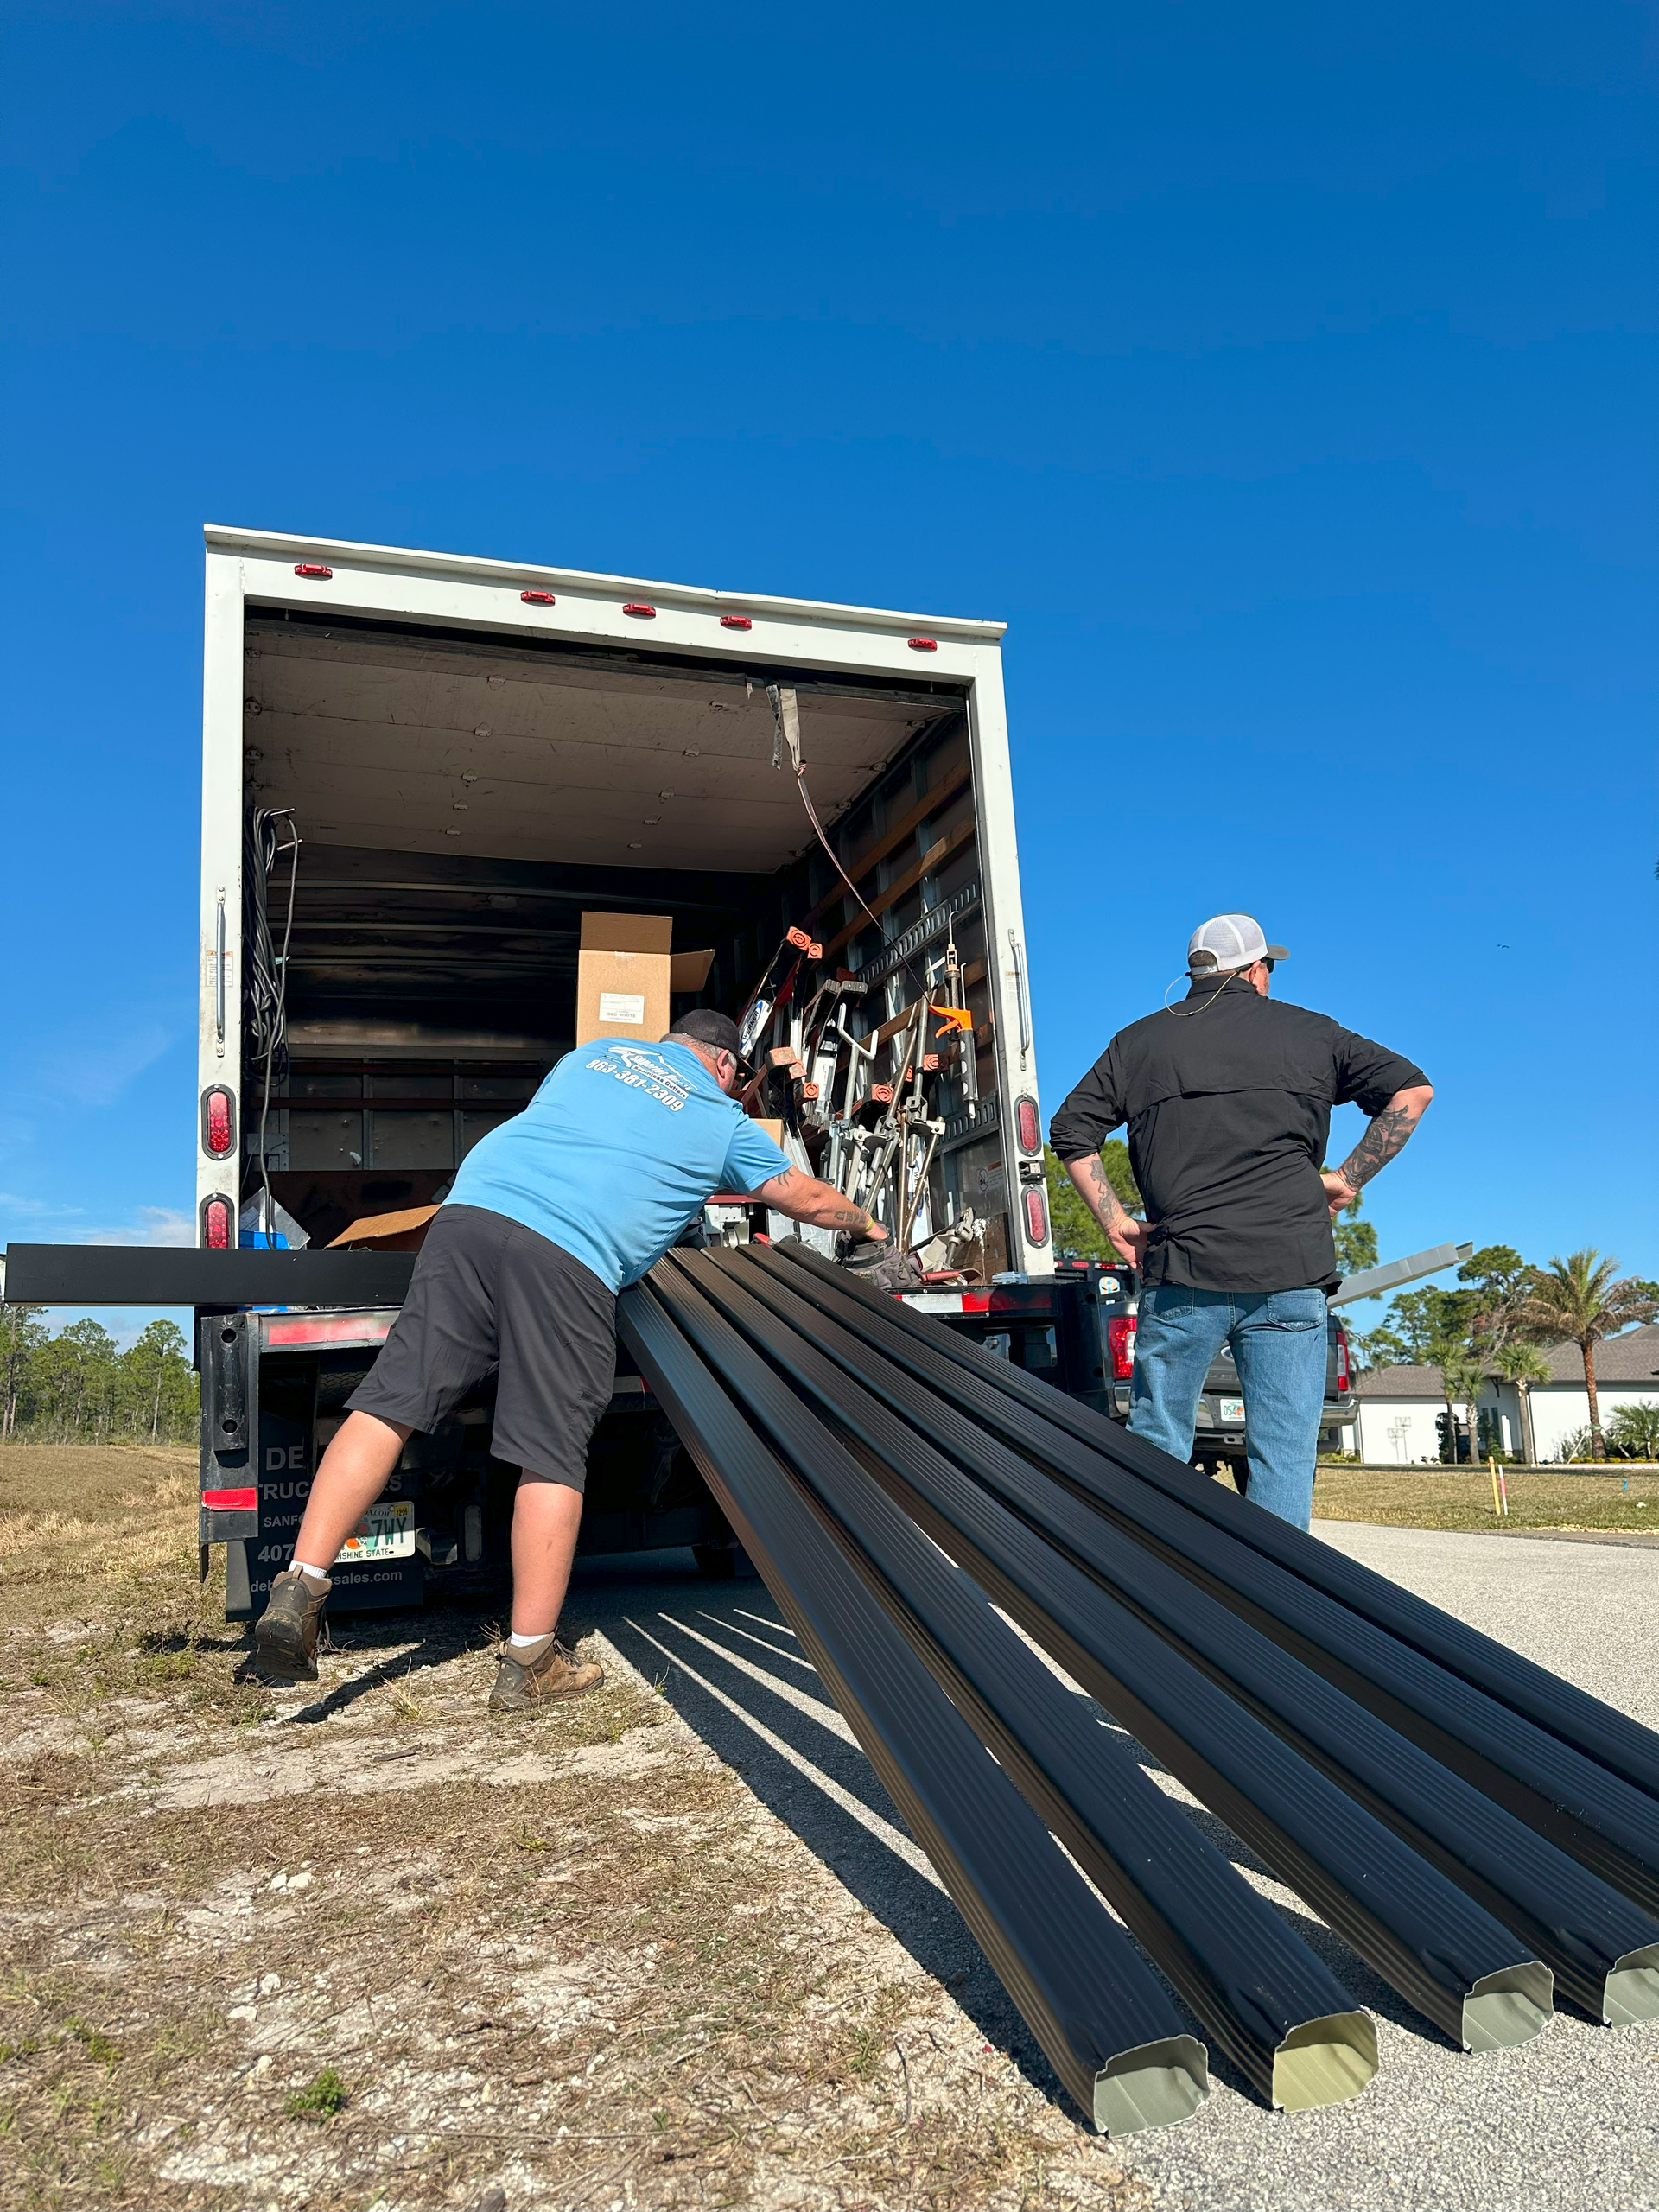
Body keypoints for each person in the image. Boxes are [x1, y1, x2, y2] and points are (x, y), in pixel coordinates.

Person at [254, 1008, 887, 1707]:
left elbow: (578, 1133)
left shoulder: (594, 1054)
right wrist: (866, 1221)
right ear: (728, 1067)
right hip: (569, 1254)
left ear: (669, 1044)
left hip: (469, 1217)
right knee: (550, 1452)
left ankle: (299, 1587)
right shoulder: (720, 1114)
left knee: (389, 1403)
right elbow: (799, 1196)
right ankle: (529, 1664)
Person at [1050, 914, 1432, 1529]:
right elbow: (1413, 1092)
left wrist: (1117, 1221)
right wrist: (1349, 1177)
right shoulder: (1312, 1034)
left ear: (1196, 973)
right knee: (1282, 1454)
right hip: (1289, 1272)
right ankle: (1275, 1608)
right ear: (1256, 970)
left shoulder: (1138, 1042)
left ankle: (1152, 1592)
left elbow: (1071, 1130)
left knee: (1158, 1446)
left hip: (1181, 1274)